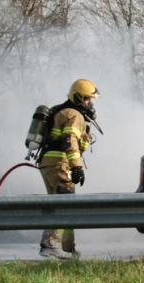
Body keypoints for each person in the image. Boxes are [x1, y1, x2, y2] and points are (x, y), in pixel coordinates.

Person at [37, 79, 100, 259]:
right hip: (60, 163)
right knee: (63, 204)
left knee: (62, 204)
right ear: (78, 97)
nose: (91, 103)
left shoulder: (64, 111)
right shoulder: (74, 114)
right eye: (88, 99)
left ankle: (67, 249)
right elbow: (69, 141)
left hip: (50, 163)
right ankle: (51, 245)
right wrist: (77, 167)